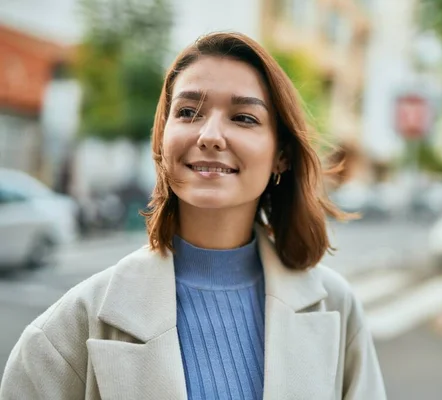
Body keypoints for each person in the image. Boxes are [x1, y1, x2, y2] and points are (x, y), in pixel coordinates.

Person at [0, 32, 386, 400]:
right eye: (188, 112)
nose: (211, 135)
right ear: (163, 138)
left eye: (244, 118)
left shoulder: (337, 309)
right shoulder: (68, 330)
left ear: (281, 155)